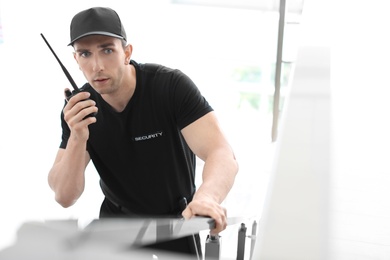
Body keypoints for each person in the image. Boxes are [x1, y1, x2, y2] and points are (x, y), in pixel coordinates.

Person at [48, 6, 238, 258]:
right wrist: (77, 137)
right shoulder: (78, 108)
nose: (96, 66)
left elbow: (221, 152)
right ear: (76, 60)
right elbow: (64, 196)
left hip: (175, 221)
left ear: (127, 52)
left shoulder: (169, 87)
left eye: (107, 50)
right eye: (85, 54)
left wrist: (208, 197)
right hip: (117, 224)